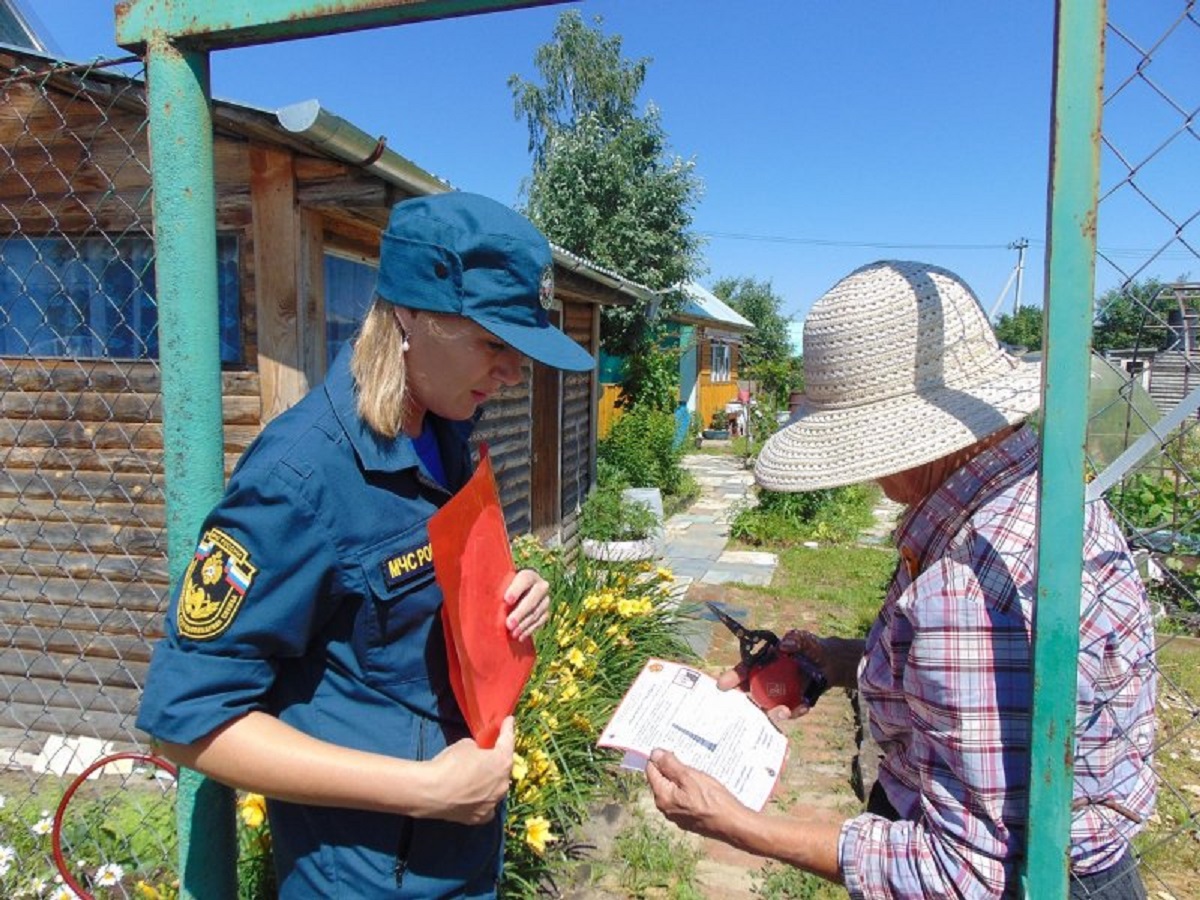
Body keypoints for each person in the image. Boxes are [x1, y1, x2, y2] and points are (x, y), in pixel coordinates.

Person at [646, 260, 1157, 899]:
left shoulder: (966, 582)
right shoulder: (1037, 498)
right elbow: (999, 690)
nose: (864, 475)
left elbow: (959, 870)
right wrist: (839, 661)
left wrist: (739, 824)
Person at [136, 191, 595, 898]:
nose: (513, 374)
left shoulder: (445, 431)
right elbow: (187, 722)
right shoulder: (299, 478)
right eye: (493, 344)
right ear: (410, 315)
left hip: (459, 854)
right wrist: (424, 789)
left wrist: (510, 594)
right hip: (366, 875)